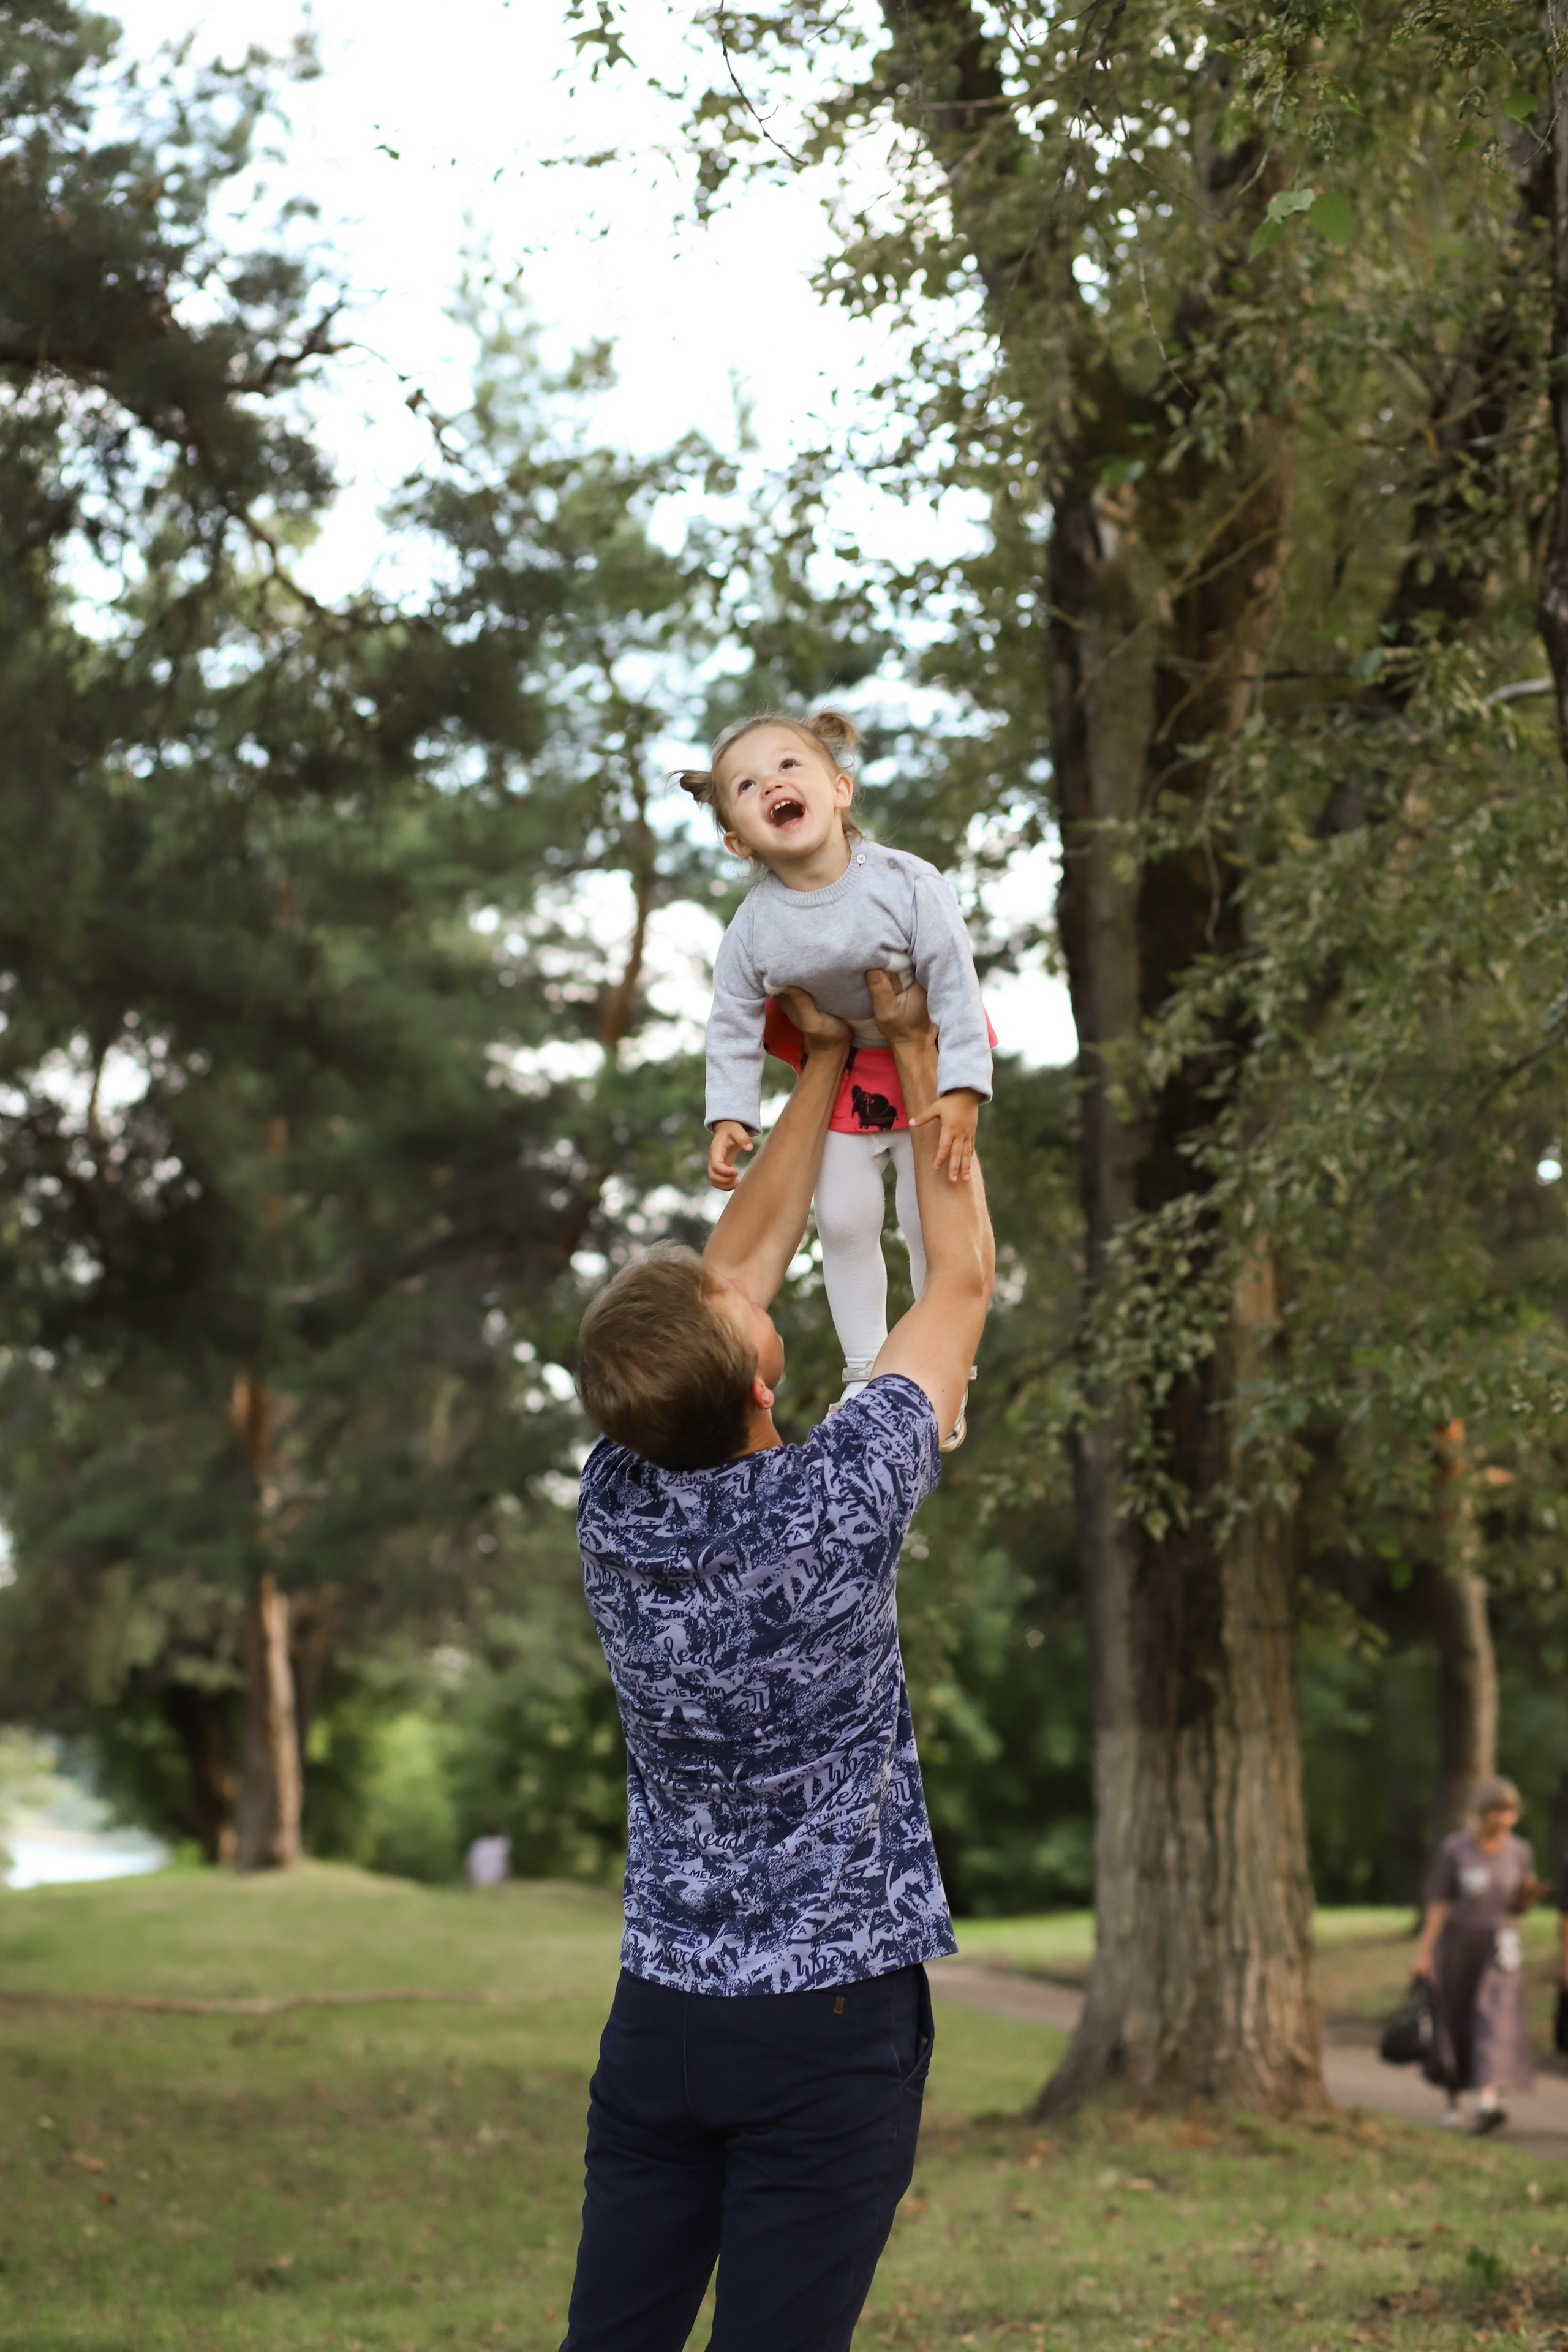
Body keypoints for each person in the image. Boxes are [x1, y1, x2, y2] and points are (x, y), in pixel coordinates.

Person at [562, 971, 993, 2352]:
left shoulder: (615, 1502)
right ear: (757, 1380)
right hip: (825, 2024)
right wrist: (920, 1059)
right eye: (737, 1310)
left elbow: (724, 1286)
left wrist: (815, 1064)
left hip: (663, 2020)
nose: (742, 1285)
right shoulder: (837, 1497)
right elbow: (960, 1281)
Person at [678, 708, 992, 1441]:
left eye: (789, 766)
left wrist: (963, 1089)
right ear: (736, 840)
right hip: (847, 1073)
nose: (771, 785)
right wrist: (730, 1113)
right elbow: (732, 1019)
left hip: (925, 1065)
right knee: (844, 1221)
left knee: (926, 1219)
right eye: (747, 785)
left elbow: (954, 981)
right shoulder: (754, 927)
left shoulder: (904, 882)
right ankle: (864, 1368)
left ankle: (948, 1369)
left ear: (840, 789)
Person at [1412, 1776, 1544, 2133]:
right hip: (1458, 1946)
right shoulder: (1456, 1849)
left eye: (1509, 1812)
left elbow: (1517, 1907)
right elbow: (1440, 1902)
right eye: (1496, 1812)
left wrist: (1528, 1897)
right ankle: (1453, 2099)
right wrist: (1424, 1952)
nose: (1502, 1820)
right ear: (1481, 1813)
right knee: (1456, 2019)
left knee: (1496, 2021)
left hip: (1500, 1949)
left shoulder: (1520, 1851)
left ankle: (1488, 2101)